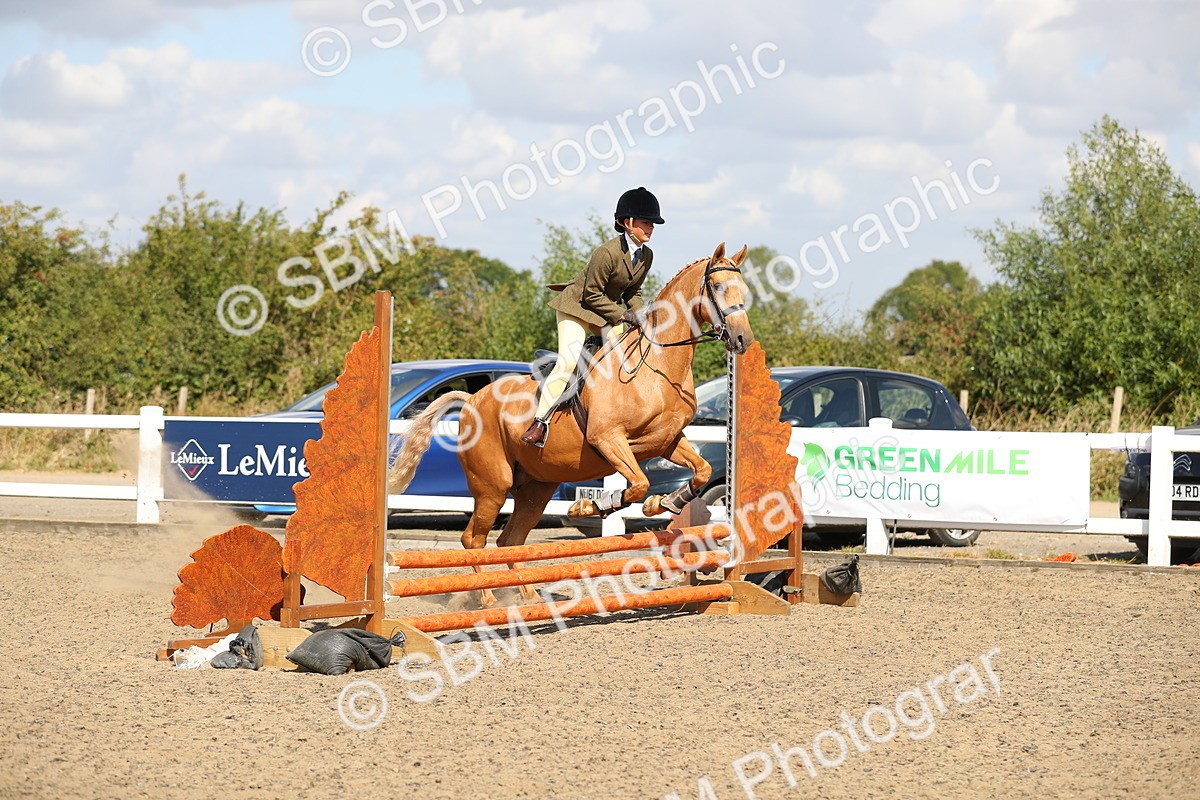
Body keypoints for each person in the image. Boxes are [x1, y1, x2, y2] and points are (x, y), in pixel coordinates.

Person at [520, 186, 664, 447]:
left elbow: (633, 291)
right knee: (567, 362)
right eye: (646, 222)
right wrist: (624, 316)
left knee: (630, 349)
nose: (651, 228)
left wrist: (642, 316)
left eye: (653, 223)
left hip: (602, 313)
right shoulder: (606, 253)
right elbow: (591, 295)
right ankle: (540, 422)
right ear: (627, 223)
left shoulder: (646, 256)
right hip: (577, 308)